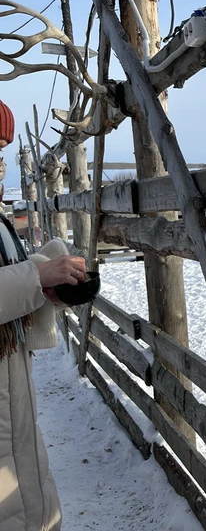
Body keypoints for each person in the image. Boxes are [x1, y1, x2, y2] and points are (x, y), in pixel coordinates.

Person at [0, 124, 86, 530]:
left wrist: (44, 288)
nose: (0, 164)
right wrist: (36, 277)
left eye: (1, 151)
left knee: (25, 487)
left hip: (13, 395)